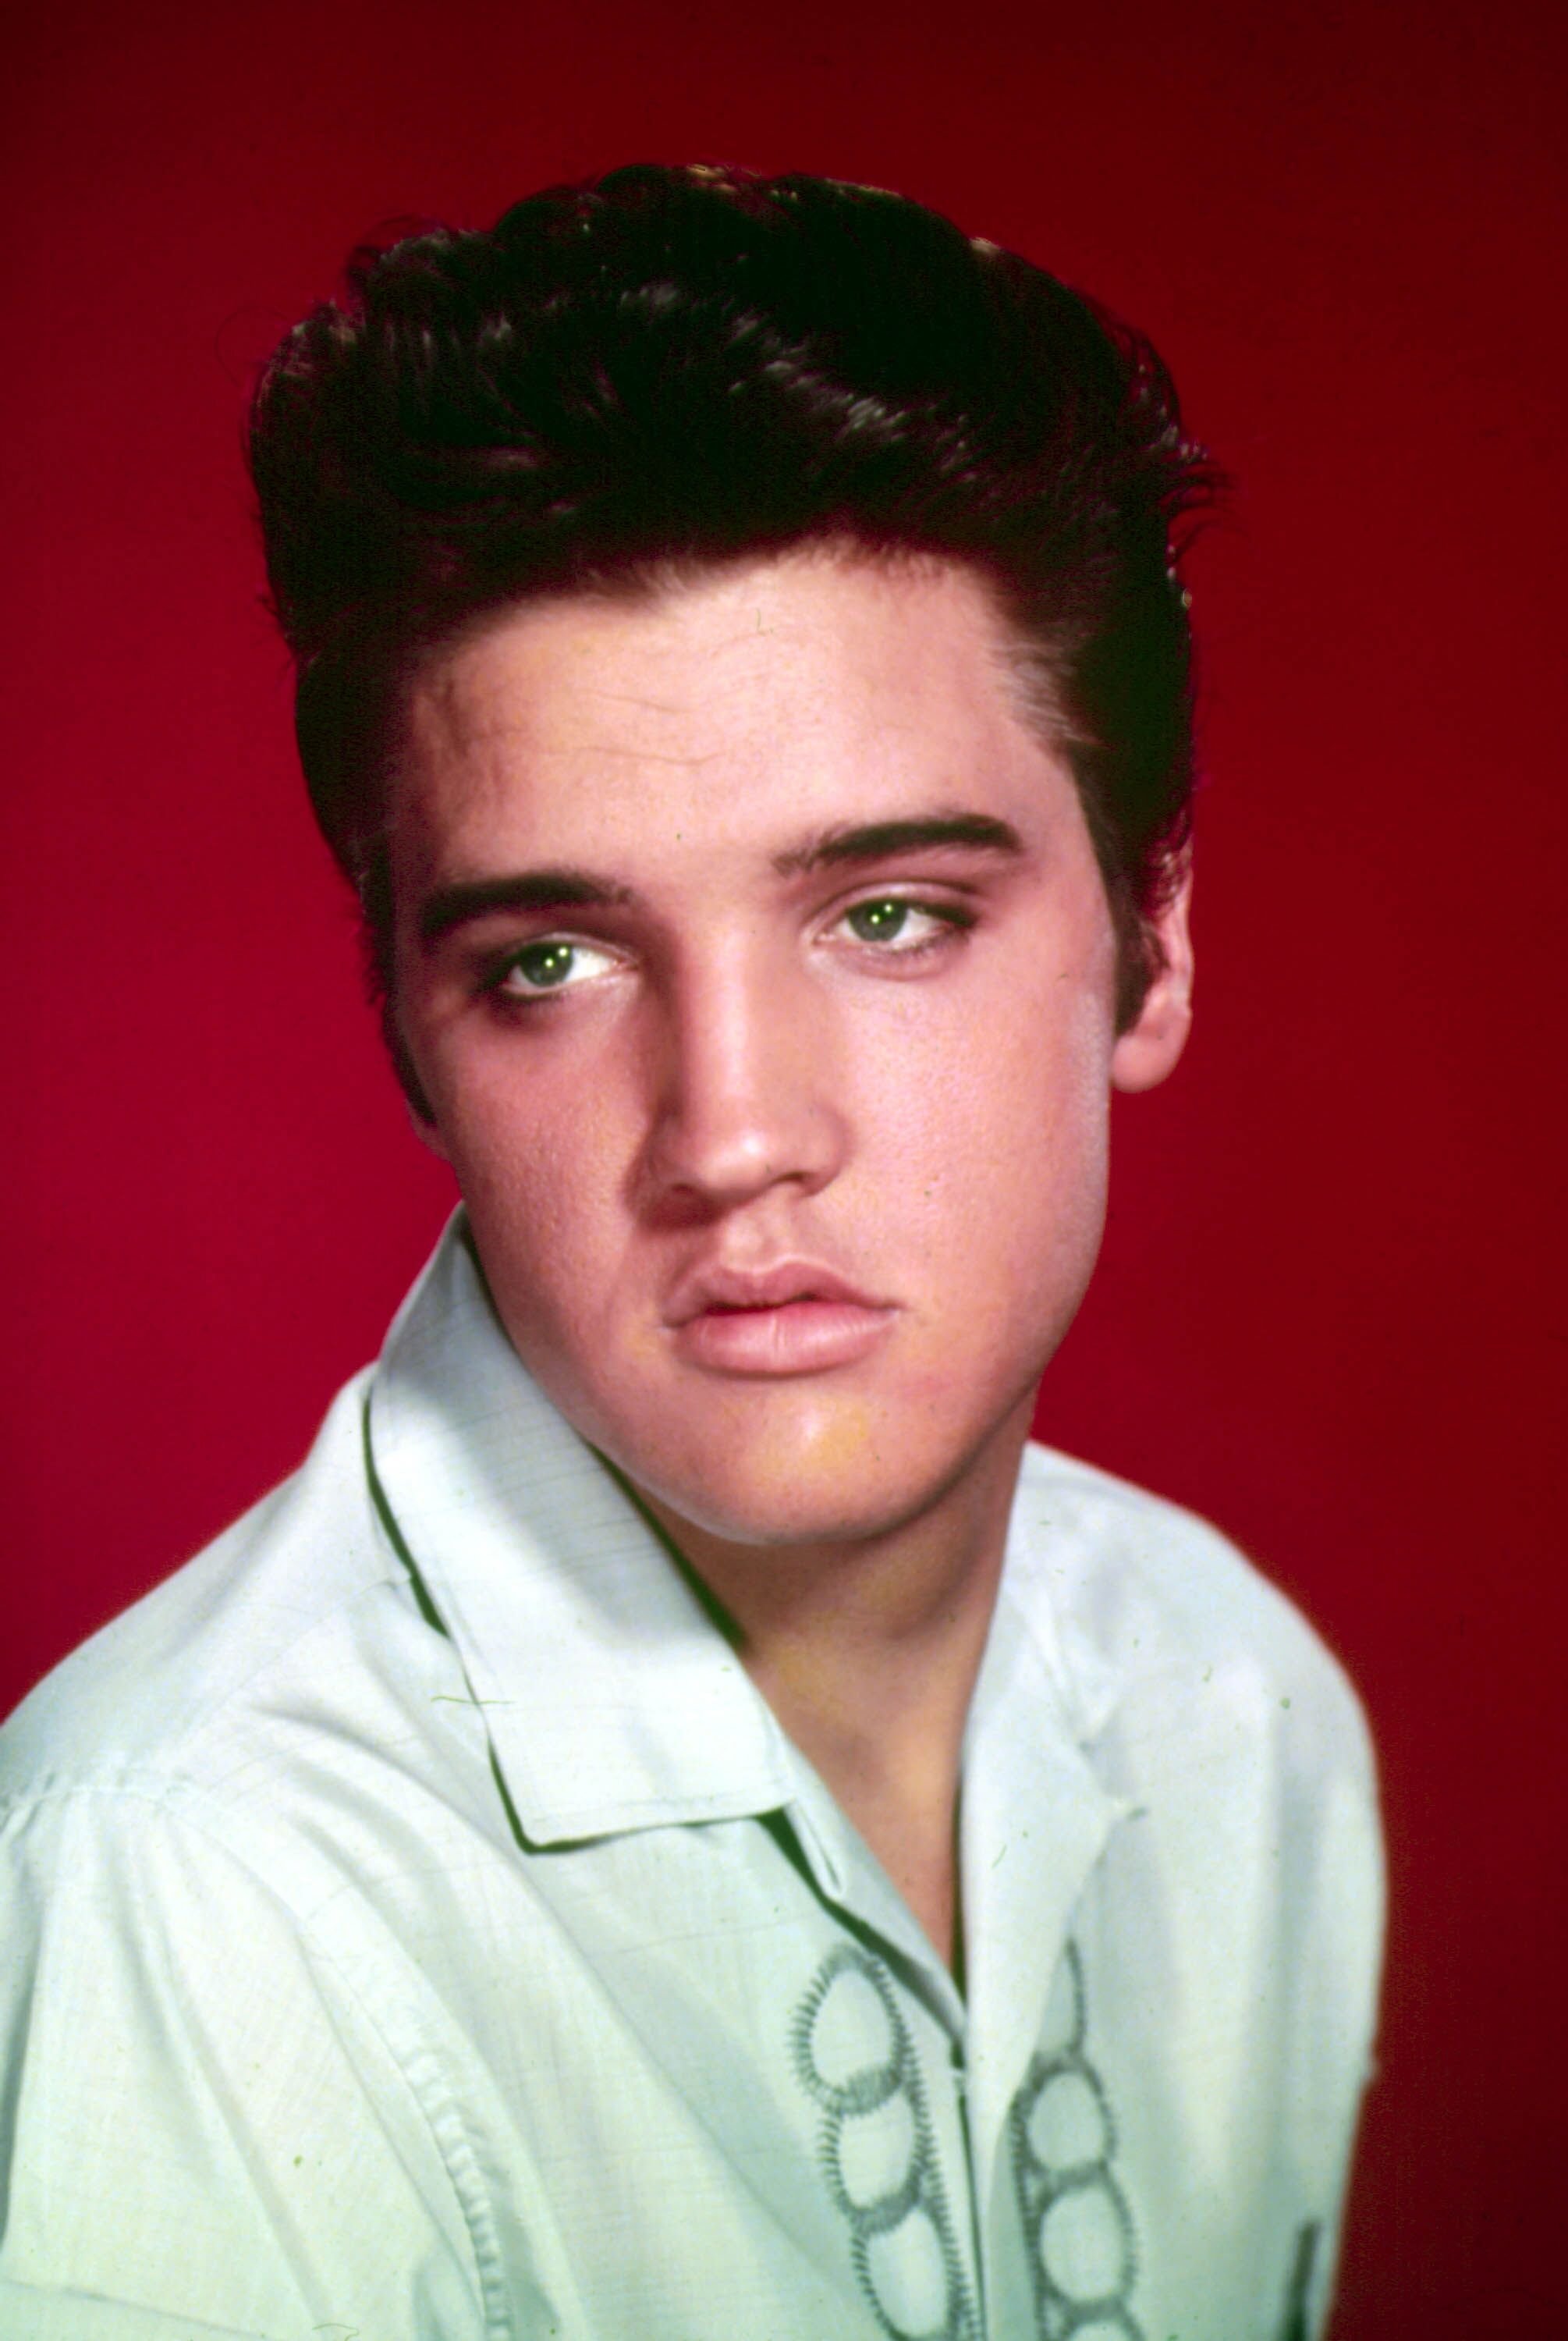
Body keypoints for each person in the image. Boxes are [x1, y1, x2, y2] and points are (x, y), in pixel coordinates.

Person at [0, 164, 1382, 2341]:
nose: (732, 1133)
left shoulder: (1243, 1708)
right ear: (403, 1029)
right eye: (551, 957)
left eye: (890, 916)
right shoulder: (195, 1889)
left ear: (1151, 937)